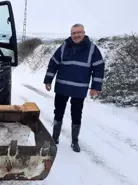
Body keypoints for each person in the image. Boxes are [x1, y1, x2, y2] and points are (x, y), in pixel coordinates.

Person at [43, 23, 105, 153]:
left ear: (83, 33)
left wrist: (95, 87)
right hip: (62, 88)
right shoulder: (64, 47)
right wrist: (48, 80)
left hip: (79, 90)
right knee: (58, 113)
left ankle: (74, 141)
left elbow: (98, 68)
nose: (76, 35)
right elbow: (53, 63)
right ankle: (55, 138)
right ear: (71, 34)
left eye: (78, 32)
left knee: (76, 115)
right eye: (73, 33)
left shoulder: (92, 49)